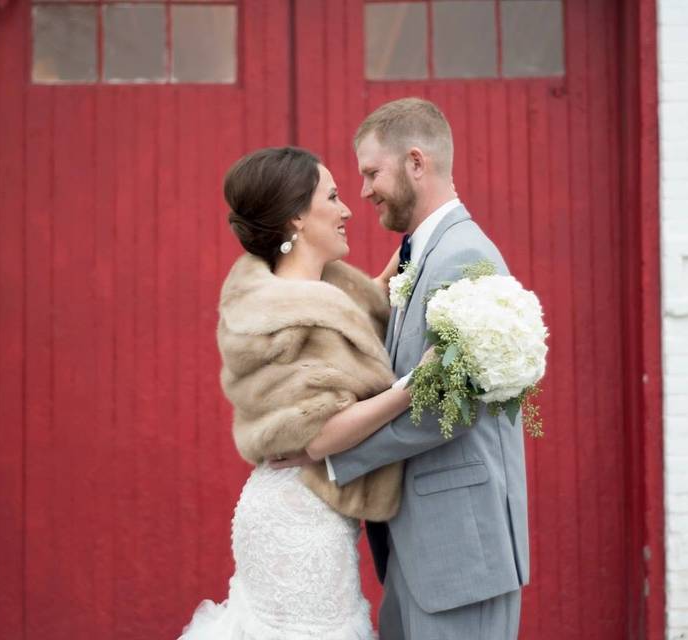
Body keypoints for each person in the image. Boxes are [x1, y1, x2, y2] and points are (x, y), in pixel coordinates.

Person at [272, 98, 530, 639]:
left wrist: (332, 452)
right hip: (420, 546)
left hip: (459, 554)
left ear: (417, 162)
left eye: (371, 173)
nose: (363, 191)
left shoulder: (460, 256)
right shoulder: (419, 254)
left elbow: (451, 407)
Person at [179, 146, 421, 639]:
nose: (348, 208)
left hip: (306, 505)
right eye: (332, 197)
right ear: (296, 219)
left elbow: (347, 319)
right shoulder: (289, 314)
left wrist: (413, 250)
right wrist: (412, 389)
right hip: (299, 518)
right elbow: (320, 432)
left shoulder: (308, 293)